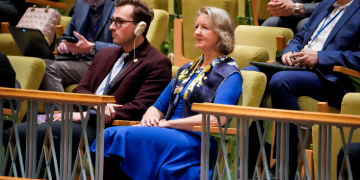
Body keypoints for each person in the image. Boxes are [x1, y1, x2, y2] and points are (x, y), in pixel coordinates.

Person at [6, 0, 172, 177]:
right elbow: (80, 90)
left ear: (140, 27)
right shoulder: (104, 54)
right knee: (17, 131)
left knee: (47, 132)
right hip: (83, 117)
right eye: (112, 21)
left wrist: (90, 115)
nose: (111, 27)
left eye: (119, 22)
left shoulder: (157, 62)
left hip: (108, 127)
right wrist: (96, 105)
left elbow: (140, 108)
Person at [90, 6, 243, 180]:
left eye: (205, 28)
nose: (198, 32)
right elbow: (158, 105)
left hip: (196, 137)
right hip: (168, 132)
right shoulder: (186, 70)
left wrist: (169, 124)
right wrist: (150, 118)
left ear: (222, 34)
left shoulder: (230, 73)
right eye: (197, 27)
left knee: (117, 136)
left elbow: (217, 119)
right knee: (110, 136)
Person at [244, 0, 360, 178]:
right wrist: (289, 51)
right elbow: (299, 37)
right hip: (298, 67)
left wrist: (320, 57)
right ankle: (248, 163)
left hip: (330, 78)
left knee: (281, 81)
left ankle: (286, 165)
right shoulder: (326, 4)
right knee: (249, 75)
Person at [40, 0, 118, 95]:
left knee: (48, 67)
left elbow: (125, 47)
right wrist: (64, 45)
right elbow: (66, 36)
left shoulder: (119, 6)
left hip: (103, 64)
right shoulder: (80, 4)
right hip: (78, 59)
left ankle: (62, 110)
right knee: (39, 63)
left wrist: (91, 47)